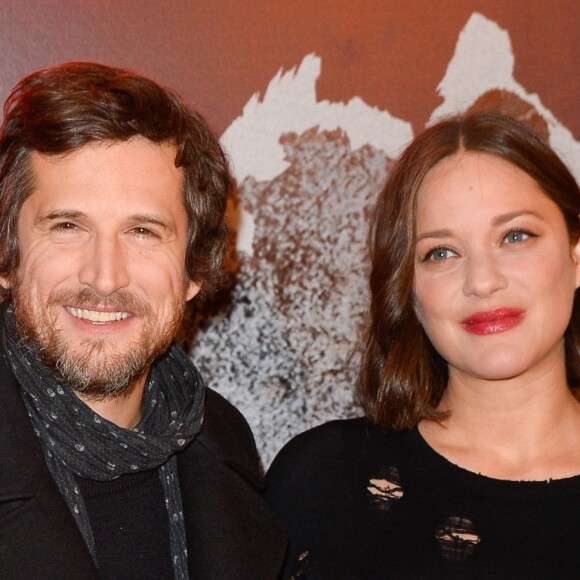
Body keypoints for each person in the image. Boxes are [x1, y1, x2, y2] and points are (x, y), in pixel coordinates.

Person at [0, 61, 286, 579]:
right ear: (8, 256)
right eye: (67, 226)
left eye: (143, 232)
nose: (105, 277)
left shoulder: (226, 447)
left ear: (193, 270)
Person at [264, 111, 580, 578]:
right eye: (441, 253)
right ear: (408, 290)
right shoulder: (322, 481)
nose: (483, 281)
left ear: (576, 256)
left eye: (516, 236)